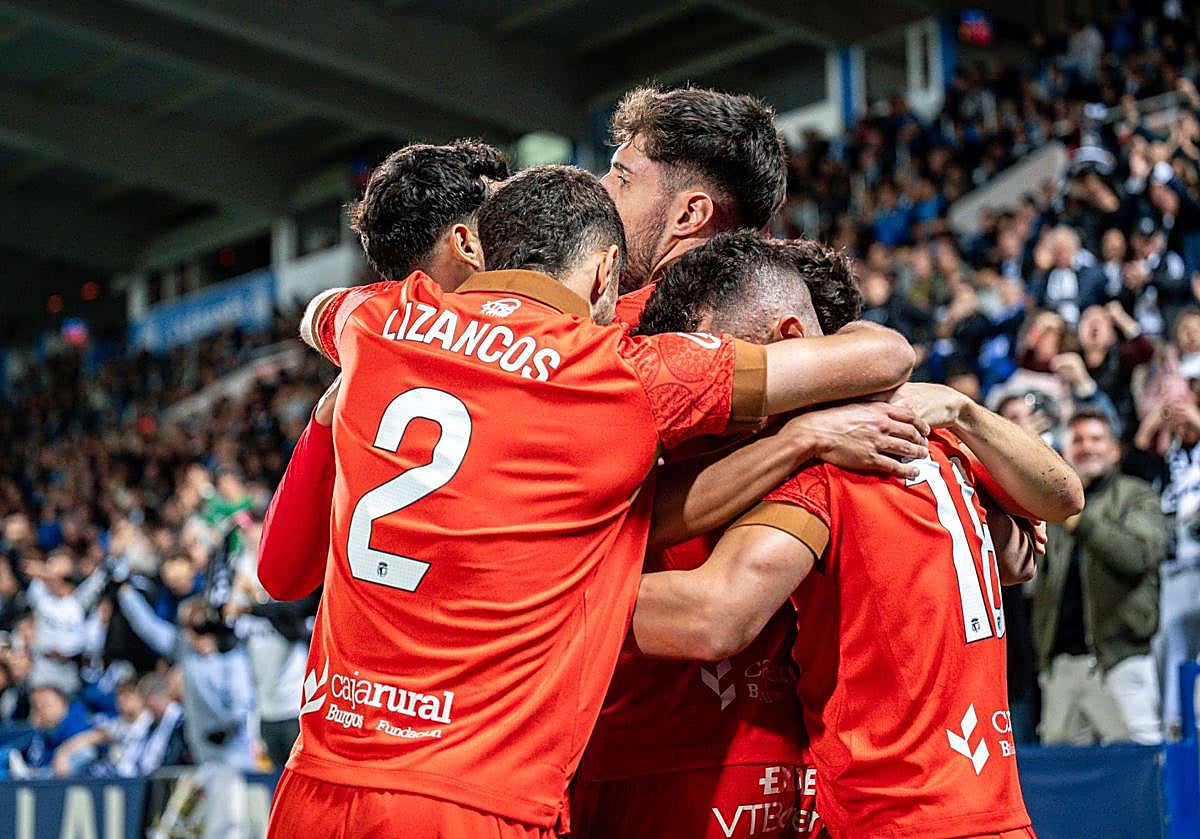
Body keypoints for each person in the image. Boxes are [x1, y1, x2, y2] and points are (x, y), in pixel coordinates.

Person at [268, 165, 915, 838]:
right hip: (472, 798)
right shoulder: (620, 373)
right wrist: (807, 434)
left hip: (318, 781)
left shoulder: (380, 320)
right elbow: (882, 358)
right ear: (606, 273)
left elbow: (322, 312)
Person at [628, 270, 1084, 835]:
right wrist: (960, 409)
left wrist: (549, 583)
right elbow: (1036, 534)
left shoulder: (827, 465)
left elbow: (714, 614)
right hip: (993, 808)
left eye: (724, 365)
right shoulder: (939, 441)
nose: (715, 393)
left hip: (891, 812)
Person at [574, 233, 881, 839]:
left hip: (711, 758)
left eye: (625, 172)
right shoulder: (629, 348)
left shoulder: (854, 429)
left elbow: (712, 616)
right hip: (678, 749)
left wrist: (525, 596)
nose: (714, 376)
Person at [1033, 408, 1166, 745]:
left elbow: (1137, 556)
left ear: (1115, 450)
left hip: (1119, 659)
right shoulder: (1053, 506)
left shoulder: (1136, 496)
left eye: (1096, 438)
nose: (1087, 447)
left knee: (1140, 768)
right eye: (1077, 440)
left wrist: (1082, 521)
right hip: (1062, 665)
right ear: (1065, 451)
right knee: (1065, 779)